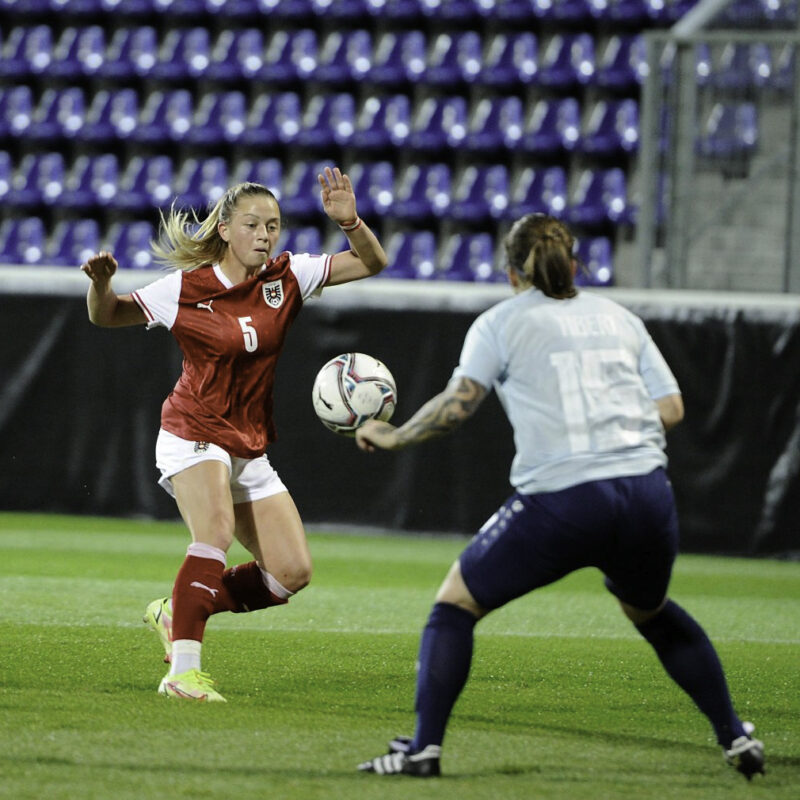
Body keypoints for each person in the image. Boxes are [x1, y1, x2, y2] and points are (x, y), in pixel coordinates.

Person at [354, 213, 764, 780]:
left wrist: (393, 435)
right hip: (647, 494)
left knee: (454, 607)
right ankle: (735, 737)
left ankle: (423, 750)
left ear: (510, 273)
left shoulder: (501, 322)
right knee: (651, 612)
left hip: (565, 498)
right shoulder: (619, 317)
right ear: (574, 263)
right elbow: (671, 408)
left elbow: (459, 404)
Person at [81, 166, 387, 702]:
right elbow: (107, 316)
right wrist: (101, 284)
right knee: (215, 534)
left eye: (273, 225)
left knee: (291, 572)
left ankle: (177, 609)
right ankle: (182, 673)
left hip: (246, 443)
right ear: (225, 229)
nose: (265, 235)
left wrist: (351, 222)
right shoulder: (186, 287)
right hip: (192, 431)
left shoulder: (288, 277)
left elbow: (371, 261)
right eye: (253, 224)